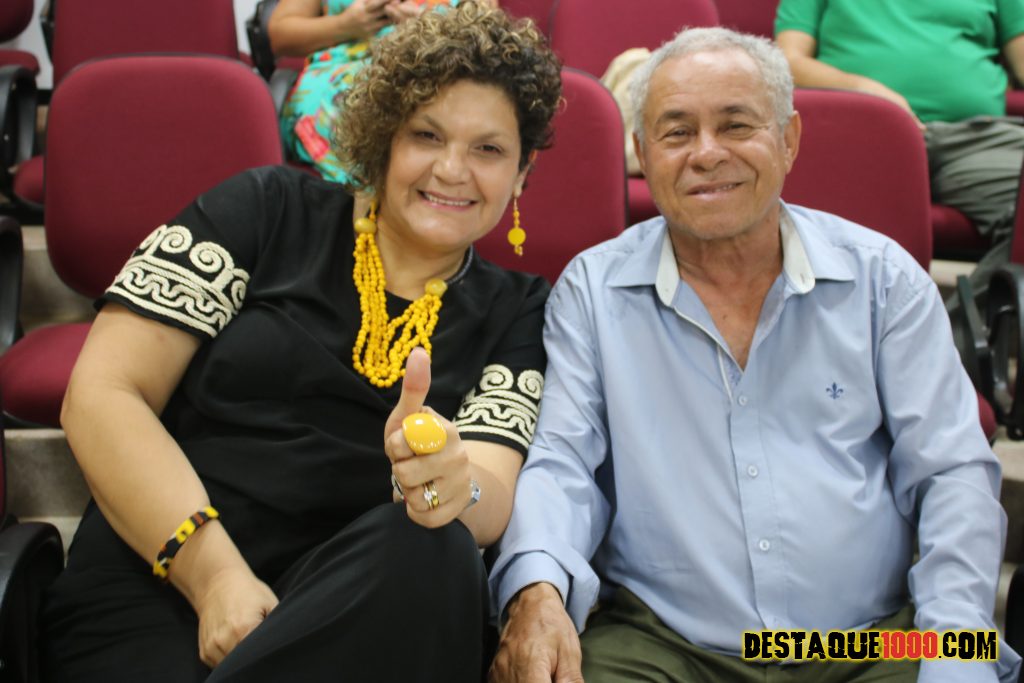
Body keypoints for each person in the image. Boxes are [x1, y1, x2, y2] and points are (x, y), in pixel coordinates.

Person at [40, 3, 561, 681]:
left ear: (522, 172)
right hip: (167, 567)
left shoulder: (520, 308)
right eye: (426, 135)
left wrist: (454, 484)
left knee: (436, 547)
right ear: (384, 137)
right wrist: (214, 576)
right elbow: (101, 394)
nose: (452, 169)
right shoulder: (263, 209)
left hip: (359, 603)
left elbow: (489, 492)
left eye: (488, 149)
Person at [488, 26, 1020, 683]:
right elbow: (563, 463)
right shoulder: (593, 291)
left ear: (789, 139)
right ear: (642, 154)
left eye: (736, 125)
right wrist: (538, 590)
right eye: (677, 132)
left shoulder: (883, 280)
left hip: (862, 643)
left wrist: (955, 647)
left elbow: (952, 474)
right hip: (666, 642)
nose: (706, 153)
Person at [775, 0, 1024, 304]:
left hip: (973, 138)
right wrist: (861, 87)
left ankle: (949, 330)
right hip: (864, 132)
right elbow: (787, 61)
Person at [270, 0, 489, 181]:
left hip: (433, 67)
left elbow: (490, 38)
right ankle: (365, 210)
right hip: (341, 72)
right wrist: (344, 25)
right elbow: (280, 35)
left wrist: (431, 28)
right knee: (349, 109)